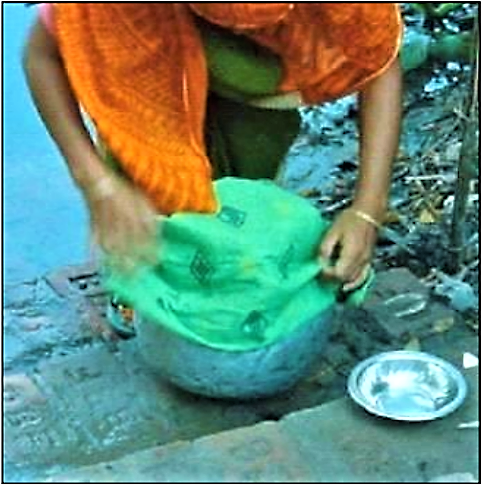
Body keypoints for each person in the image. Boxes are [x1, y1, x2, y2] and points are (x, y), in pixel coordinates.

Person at [23, 3, 403, 336]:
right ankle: (145, 293)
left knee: (246, 194)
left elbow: (377, 58)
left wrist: (367, 210)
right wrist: (97, 184)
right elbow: (42, 57)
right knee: (144, 198)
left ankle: (233, 271)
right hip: (141, 69)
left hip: (259, 87)